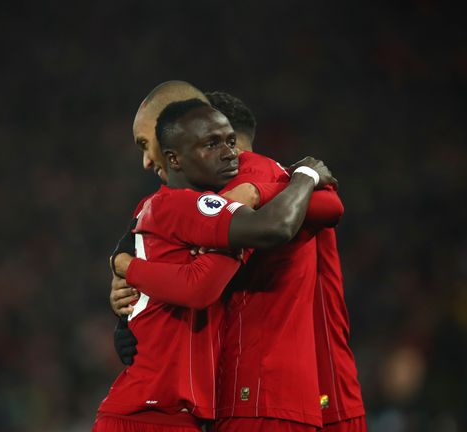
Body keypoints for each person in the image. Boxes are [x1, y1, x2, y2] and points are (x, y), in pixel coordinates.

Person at [112, 88, 366, 431]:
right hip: (316, 396)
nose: (146, 159)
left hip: (261, 397)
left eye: (147, 142)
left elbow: (326, 206)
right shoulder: (202, 195)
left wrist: (259, 191)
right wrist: (124, 288)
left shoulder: (248, 177)